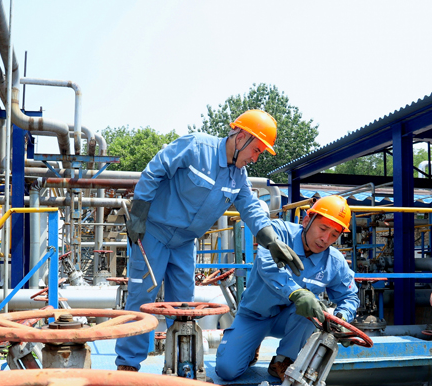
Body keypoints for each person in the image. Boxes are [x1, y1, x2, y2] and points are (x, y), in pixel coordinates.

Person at [115, 109, 303, 372]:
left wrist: (270, 239)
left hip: (184, 244)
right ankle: (128, 365)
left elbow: (251, 207)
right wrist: (138, 215)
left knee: (184, 307)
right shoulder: (195, 147)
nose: (255, 158)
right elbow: (154, 171)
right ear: (241, 137)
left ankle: (180, 364)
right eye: (257, 150)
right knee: (139, 298)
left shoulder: (238, 178)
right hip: (153, 234)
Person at [215, 194, 359, 381]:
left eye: (334, 234)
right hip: (254, 315)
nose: (325, 239)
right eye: (323, 228)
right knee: (227, 371)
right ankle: (250, 347)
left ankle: (283, 360)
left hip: (293, 321)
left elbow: (349, 297)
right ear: (307, 219)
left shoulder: (334, 262)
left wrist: (343, 317)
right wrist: (296, 293)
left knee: (312, 309)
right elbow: (269, 269)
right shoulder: (278, 234)